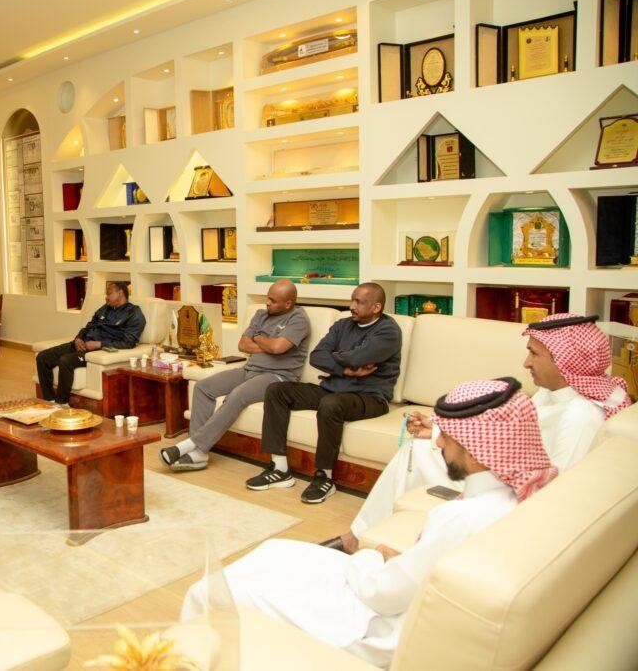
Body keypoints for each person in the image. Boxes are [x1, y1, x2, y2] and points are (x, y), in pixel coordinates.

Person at [181, 377, 556, 667]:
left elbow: (381, 594)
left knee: (211, 590)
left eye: (449, 436)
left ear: (478, 450)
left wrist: (370, 555)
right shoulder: (514, 498)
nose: (439, 444)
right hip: (396, 597)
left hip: (375, 629)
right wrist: (396, 562)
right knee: (275, 550)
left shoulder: (463, 517)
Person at [329, 313, 632, 553]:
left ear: (565, 360)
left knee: (420, 452)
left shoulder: (581, 416)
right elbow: (504, 433)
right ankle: (368, 534)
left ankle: (368, 538)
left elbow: (552, 496)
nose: (526, 363)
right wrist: (441, 430)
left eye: (534, 354)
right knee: (419, 447)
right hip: (508, 473)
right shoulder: (552, 393)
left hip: (513, 496)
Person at [247, 283, 402, 503]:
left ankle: (324, 477)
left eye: (359, 302)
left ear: (376, 307)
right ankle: (280, 468)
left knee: (330, 404)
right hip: (332, 389)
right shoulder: (343, 325)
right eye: (352, 300)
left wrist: (338, 356)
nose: (352, 306)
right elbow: (317, 356)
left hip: (369, 396)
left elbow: (357, 358)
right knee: (277, 390)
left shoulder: (388, 331)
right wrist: (346, 369)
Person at [160, 280, 310, 472]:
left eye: (273, 301)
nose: (267, 303)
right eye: (267, 298)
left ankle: (191, 446)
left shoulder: (298, 319)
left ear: (288, 304)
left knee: (237, 394)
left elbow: (277, 348)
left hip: (277, 377)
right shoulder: (261, 314)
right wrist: (267, 344)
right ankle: (200, 453)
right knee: (203, 387)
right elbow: (243, 345)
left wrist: (258, 338)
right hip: (249, 370)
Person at [35, 281, 145, 405]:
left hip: (97, 350)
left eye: (109, 293)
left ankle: (61, 403)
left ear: (120, 293)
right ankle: (49, 400)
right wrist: (78, 338)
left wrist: (99, 344)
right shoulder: (104, 309)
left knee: (65, 361)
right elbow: (88, 327)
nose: (106, 297)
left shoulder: (134, 313)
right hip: (81, 344)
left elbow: (128, 342)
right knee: (42, 357)